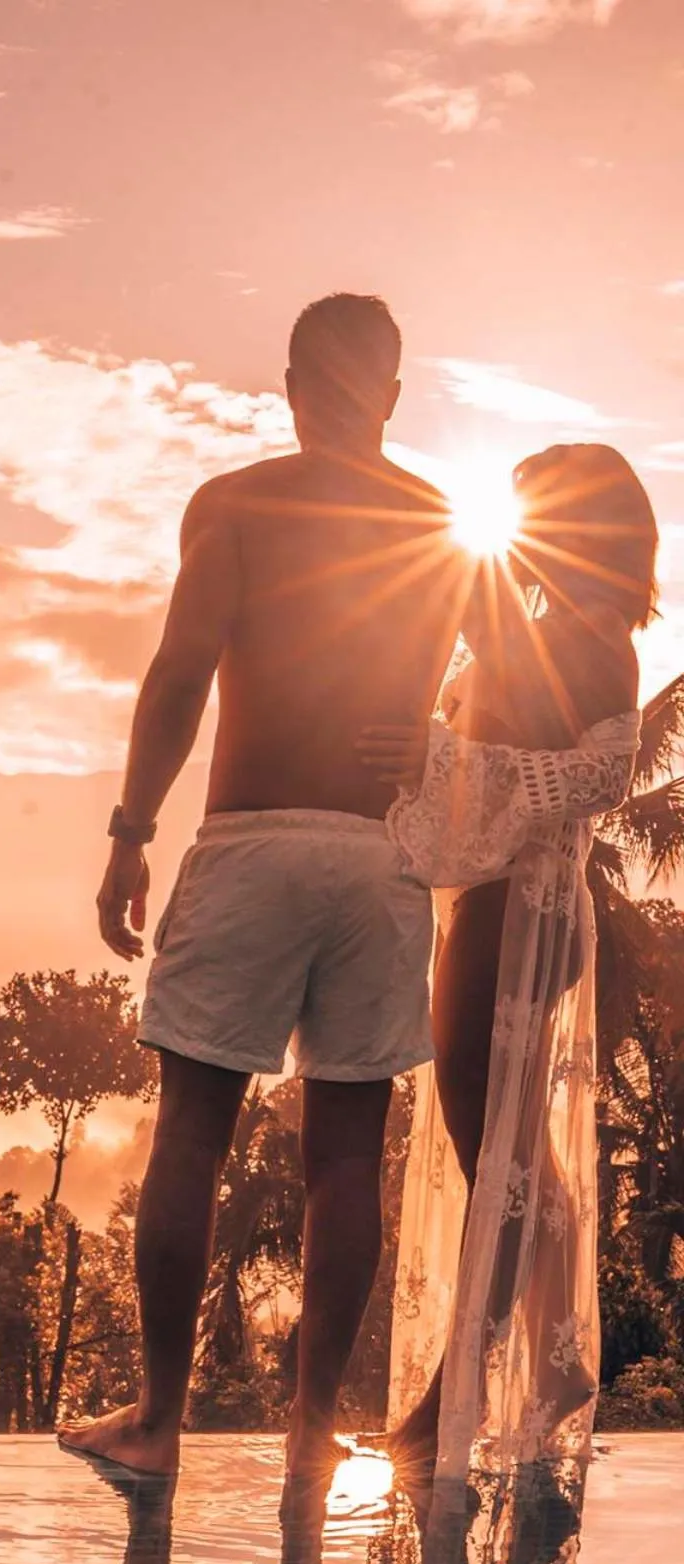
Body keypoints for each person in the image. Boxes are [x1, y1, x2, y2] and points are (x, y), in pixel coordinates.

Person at [59, 292, 483, 1480]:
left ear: (291, 387)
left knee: (193, 1133)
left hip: (254, 841)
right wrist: (441, 752)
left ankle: (158, 1422)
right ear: (390, 396)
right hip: (381, 857)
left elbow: (179, 674)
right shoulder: (444, 526)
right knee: (345, 1156)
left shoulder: (238, 505)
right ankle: (308, 1433)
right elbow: (515, 676)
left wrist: (130, 830)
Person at [358, 443, 652, 1478]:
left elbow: (594, 774)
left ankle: (459, 1393)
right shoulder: (557, 629)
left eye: (540, 514)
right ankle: (539, 1374)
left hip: (518, 911)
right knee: (509, 1149)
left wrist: (441, 753)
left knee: (496, 1155)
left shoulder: (585, 635)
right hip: (502, 903)